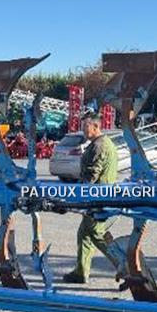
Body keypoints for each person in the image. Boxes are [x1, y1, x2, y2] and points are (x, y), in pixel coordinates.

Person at [61, 113, 118, 284]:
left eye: (85, 126)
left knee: (95, 233)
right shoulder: (101, 143)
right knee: (85, 234)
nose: (82, 130)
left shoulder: (99, 146)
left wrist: (77, 194)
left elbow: (92, 175)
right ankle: (81, 272)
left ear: (95, 126)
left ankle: (124, 265)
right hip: (98, 197)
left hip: (97, 198)